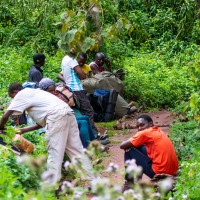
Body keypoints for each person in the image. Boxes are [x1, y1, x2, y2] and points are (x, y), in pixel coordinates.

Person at [0, 82, 94, 185]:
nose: (13, 99)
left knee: (54, 152)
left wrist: (1, 128)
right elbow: (42, 123)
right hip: (67, 113)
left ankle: (51, 188)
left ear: (15, 92)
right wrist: (23, 130)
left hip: (56, 116)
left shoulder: (21, 94)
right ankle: (92, 181)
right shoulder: (35, 93)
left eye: (12, 97)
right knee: (77, 150)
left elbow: (5, 116)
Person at [120, 114, 178, 189]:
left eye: (142, 125)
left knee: (129, 150)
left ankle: (128, 184)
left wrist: (130, 145)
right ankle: (138, 181)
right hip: (172, 171)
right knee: (136, 146)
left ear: (151, 124)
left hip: (159, 173)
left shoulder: (146, 133)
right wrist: (132, 144)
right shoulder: (158, 131)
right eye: (138, 127)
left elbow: (122, 145)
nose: (140, 128)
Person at [39, 78, 96, 148]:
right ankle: (88, 147)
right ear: (44, 90)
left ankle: (94, 142)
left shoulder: (50, 96)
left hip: (62, 118)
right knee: (83, 122)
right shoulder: (43, 100)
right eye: (51, 91)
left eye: (54, 90)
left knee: (85, 118)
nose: (54, 92)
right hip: (56, 123)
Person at [60, 49, 98, 139]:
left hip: (69, 88)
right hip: (76, 88)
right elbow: (82, 75)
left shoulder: (64, 58)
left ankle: (87, 136)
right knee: (89, 111)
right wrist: (81, 73)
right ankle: (93, 136)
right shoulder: (72, 60)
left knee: (81, 113)